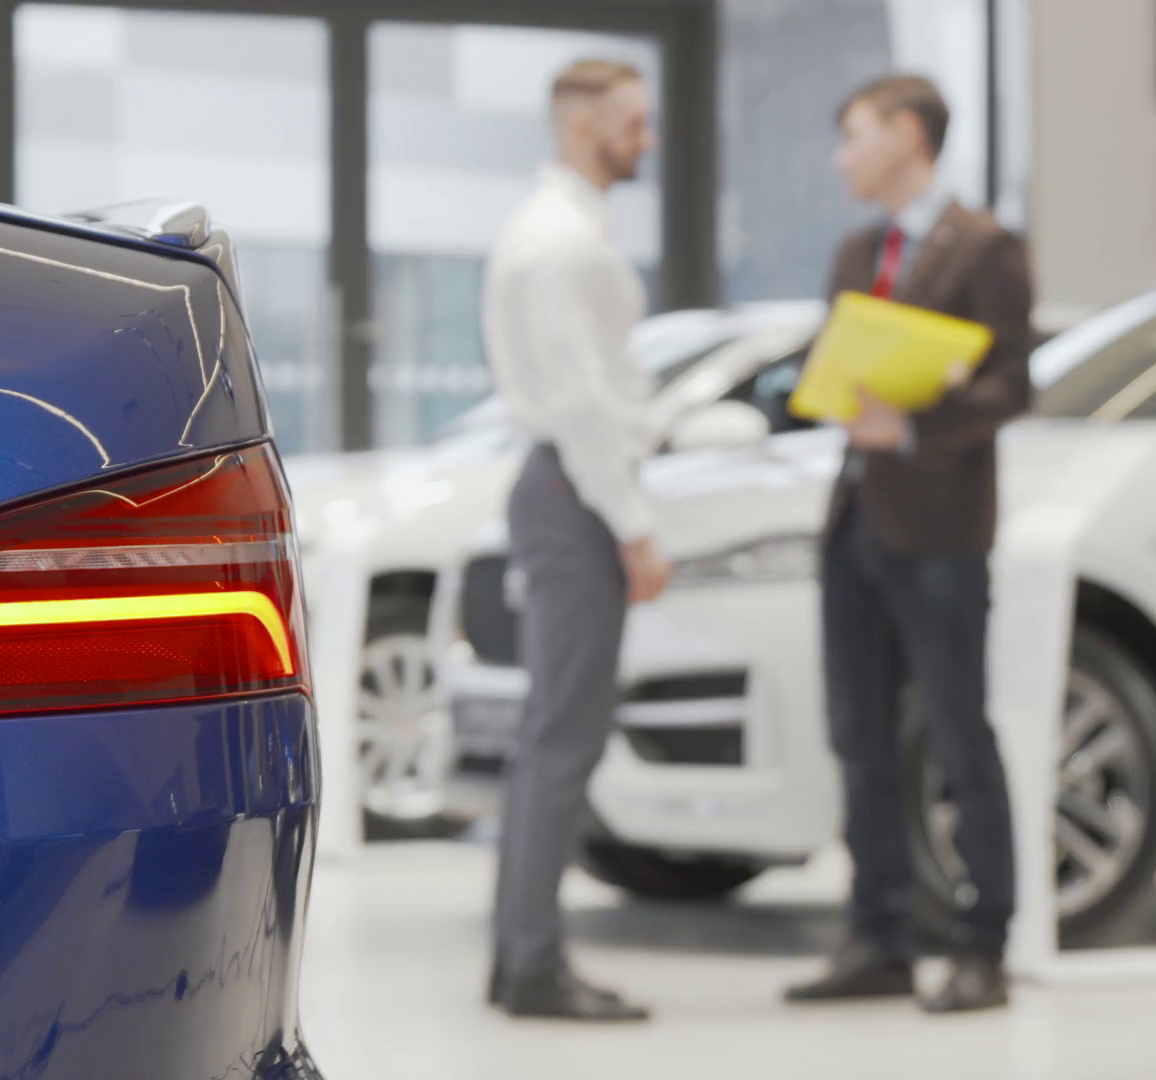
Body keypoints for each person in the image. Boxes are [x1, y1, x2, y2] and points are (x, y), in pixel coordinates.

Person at [783, 74, 1034, 1015]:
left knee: (960, 731)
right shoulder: (857, 251)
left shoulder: (985, 246)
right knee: (859, 736)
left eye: (855, 135)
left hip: (939, 529)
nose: (842, 157)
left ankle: (984, 942)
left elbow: (1013, 384)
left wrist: (918, 426)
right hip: (854, 518)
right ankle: (879, 938)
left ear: (907, 135)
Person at [480, 58, 668, 1023]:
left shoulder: (561, 228)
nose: (647, 138)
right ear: (584, 124)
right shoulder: (560, 242)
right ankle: (534, 965)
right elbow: (583, 397)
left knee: (550, 735)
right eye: (634, 122)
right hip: (575, 493)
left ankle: (520, 958)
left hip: (562, 484)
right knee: (563, 739)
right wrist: (634, 527)